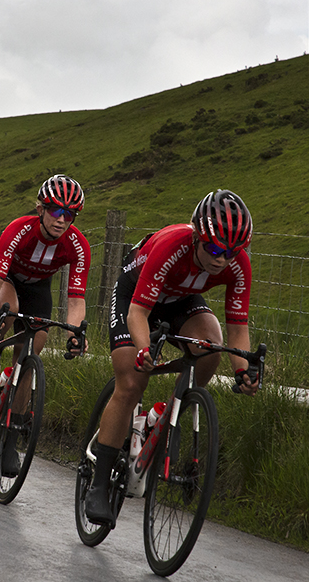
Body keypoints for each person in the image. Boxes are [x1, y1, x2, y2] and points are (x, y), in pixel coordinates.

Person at [84, 189, 258, 527]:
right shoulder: (172, 245)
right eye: (215, 249)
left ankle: (164, 414)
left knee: (212, 347)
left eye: (232, 251)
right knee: (132, 381)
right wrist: (146, 350)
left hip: (179, 298)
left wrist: (244, 370)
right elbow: (138, 311)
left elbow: (238, 327)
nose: (222, 259)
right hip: (136, 297)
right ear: (197, 236)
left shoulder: (237, 265)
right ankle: (99, 482)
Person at [0, 174, 91, 476]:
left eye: (69, 214)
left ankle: (10, 441)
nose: (61, 220)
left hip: (37, 287)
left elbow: (76, 300)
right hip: (4, 277)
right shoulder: (20, 230)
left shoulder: (78, 245)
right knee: (8, 312)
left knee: (32, 353)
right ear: (40, 209)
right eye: (55, 211)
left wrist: (74, 333)